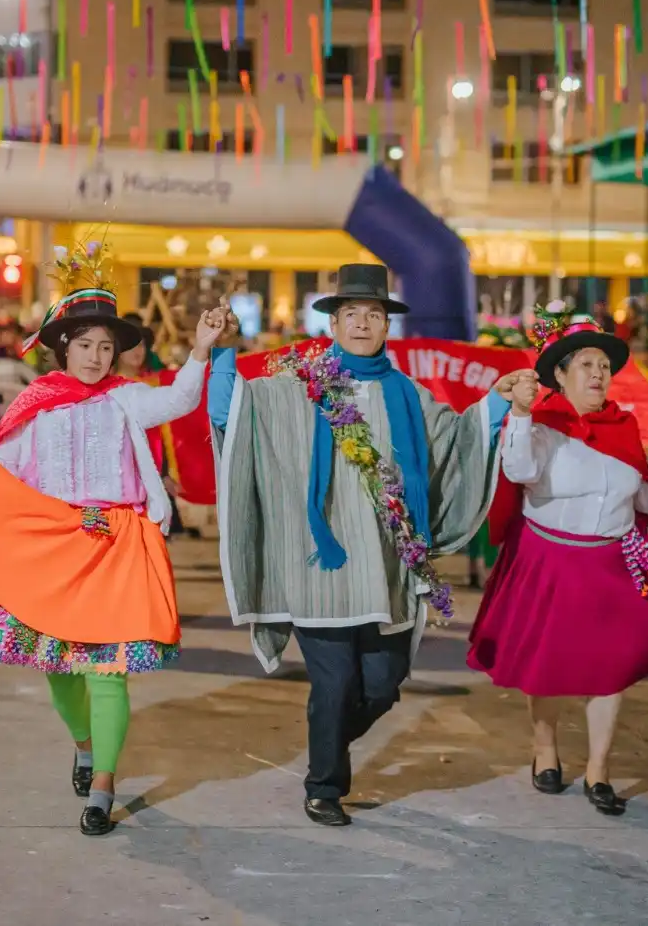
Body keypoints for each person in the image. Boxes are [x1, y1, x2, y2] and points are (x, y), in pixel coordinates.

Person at [0, 251, 224, 838]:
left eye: (106, 347)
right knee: (60, 673)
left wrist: (200, 351)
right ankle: (85, 746)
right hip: (53, 546)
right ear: (63, 348)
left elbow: (179, 401)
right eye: (85, 345)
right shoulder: (34, 405)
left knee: (108, 673)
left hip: (117, 545)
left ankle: (104, 788)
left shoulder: (127, 397)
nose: (96, 356)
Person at [208, 263, 503, 828]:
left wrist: (497, 405)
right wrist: (221, 352)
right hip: (321, 570)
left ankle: (328, 744)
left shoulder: (410, 396)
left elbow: (457, 440)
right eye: (351, 314)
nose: (362, 323)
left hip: (385, 571)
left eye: (373, 314)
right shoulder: (299, 389)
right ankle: (324, 785)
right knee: (335, 680)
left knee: (384, 684)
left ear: (387, 325)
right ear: (334, 323)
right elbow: (232, 413)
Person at [467, 307, 648, 816]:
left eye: (604, 366)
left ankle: (599, 770)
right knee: (547, 665)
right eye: (586, 365)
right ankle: (546, 750)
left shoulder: (623, 427)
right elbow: (519, 470)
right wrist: (520, 415)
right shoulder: (540, 426)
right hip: (549, 563)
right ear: (560, 374)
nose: (597, 374)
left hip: (609, 566)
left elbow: (645, 496)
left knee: (610, 669)